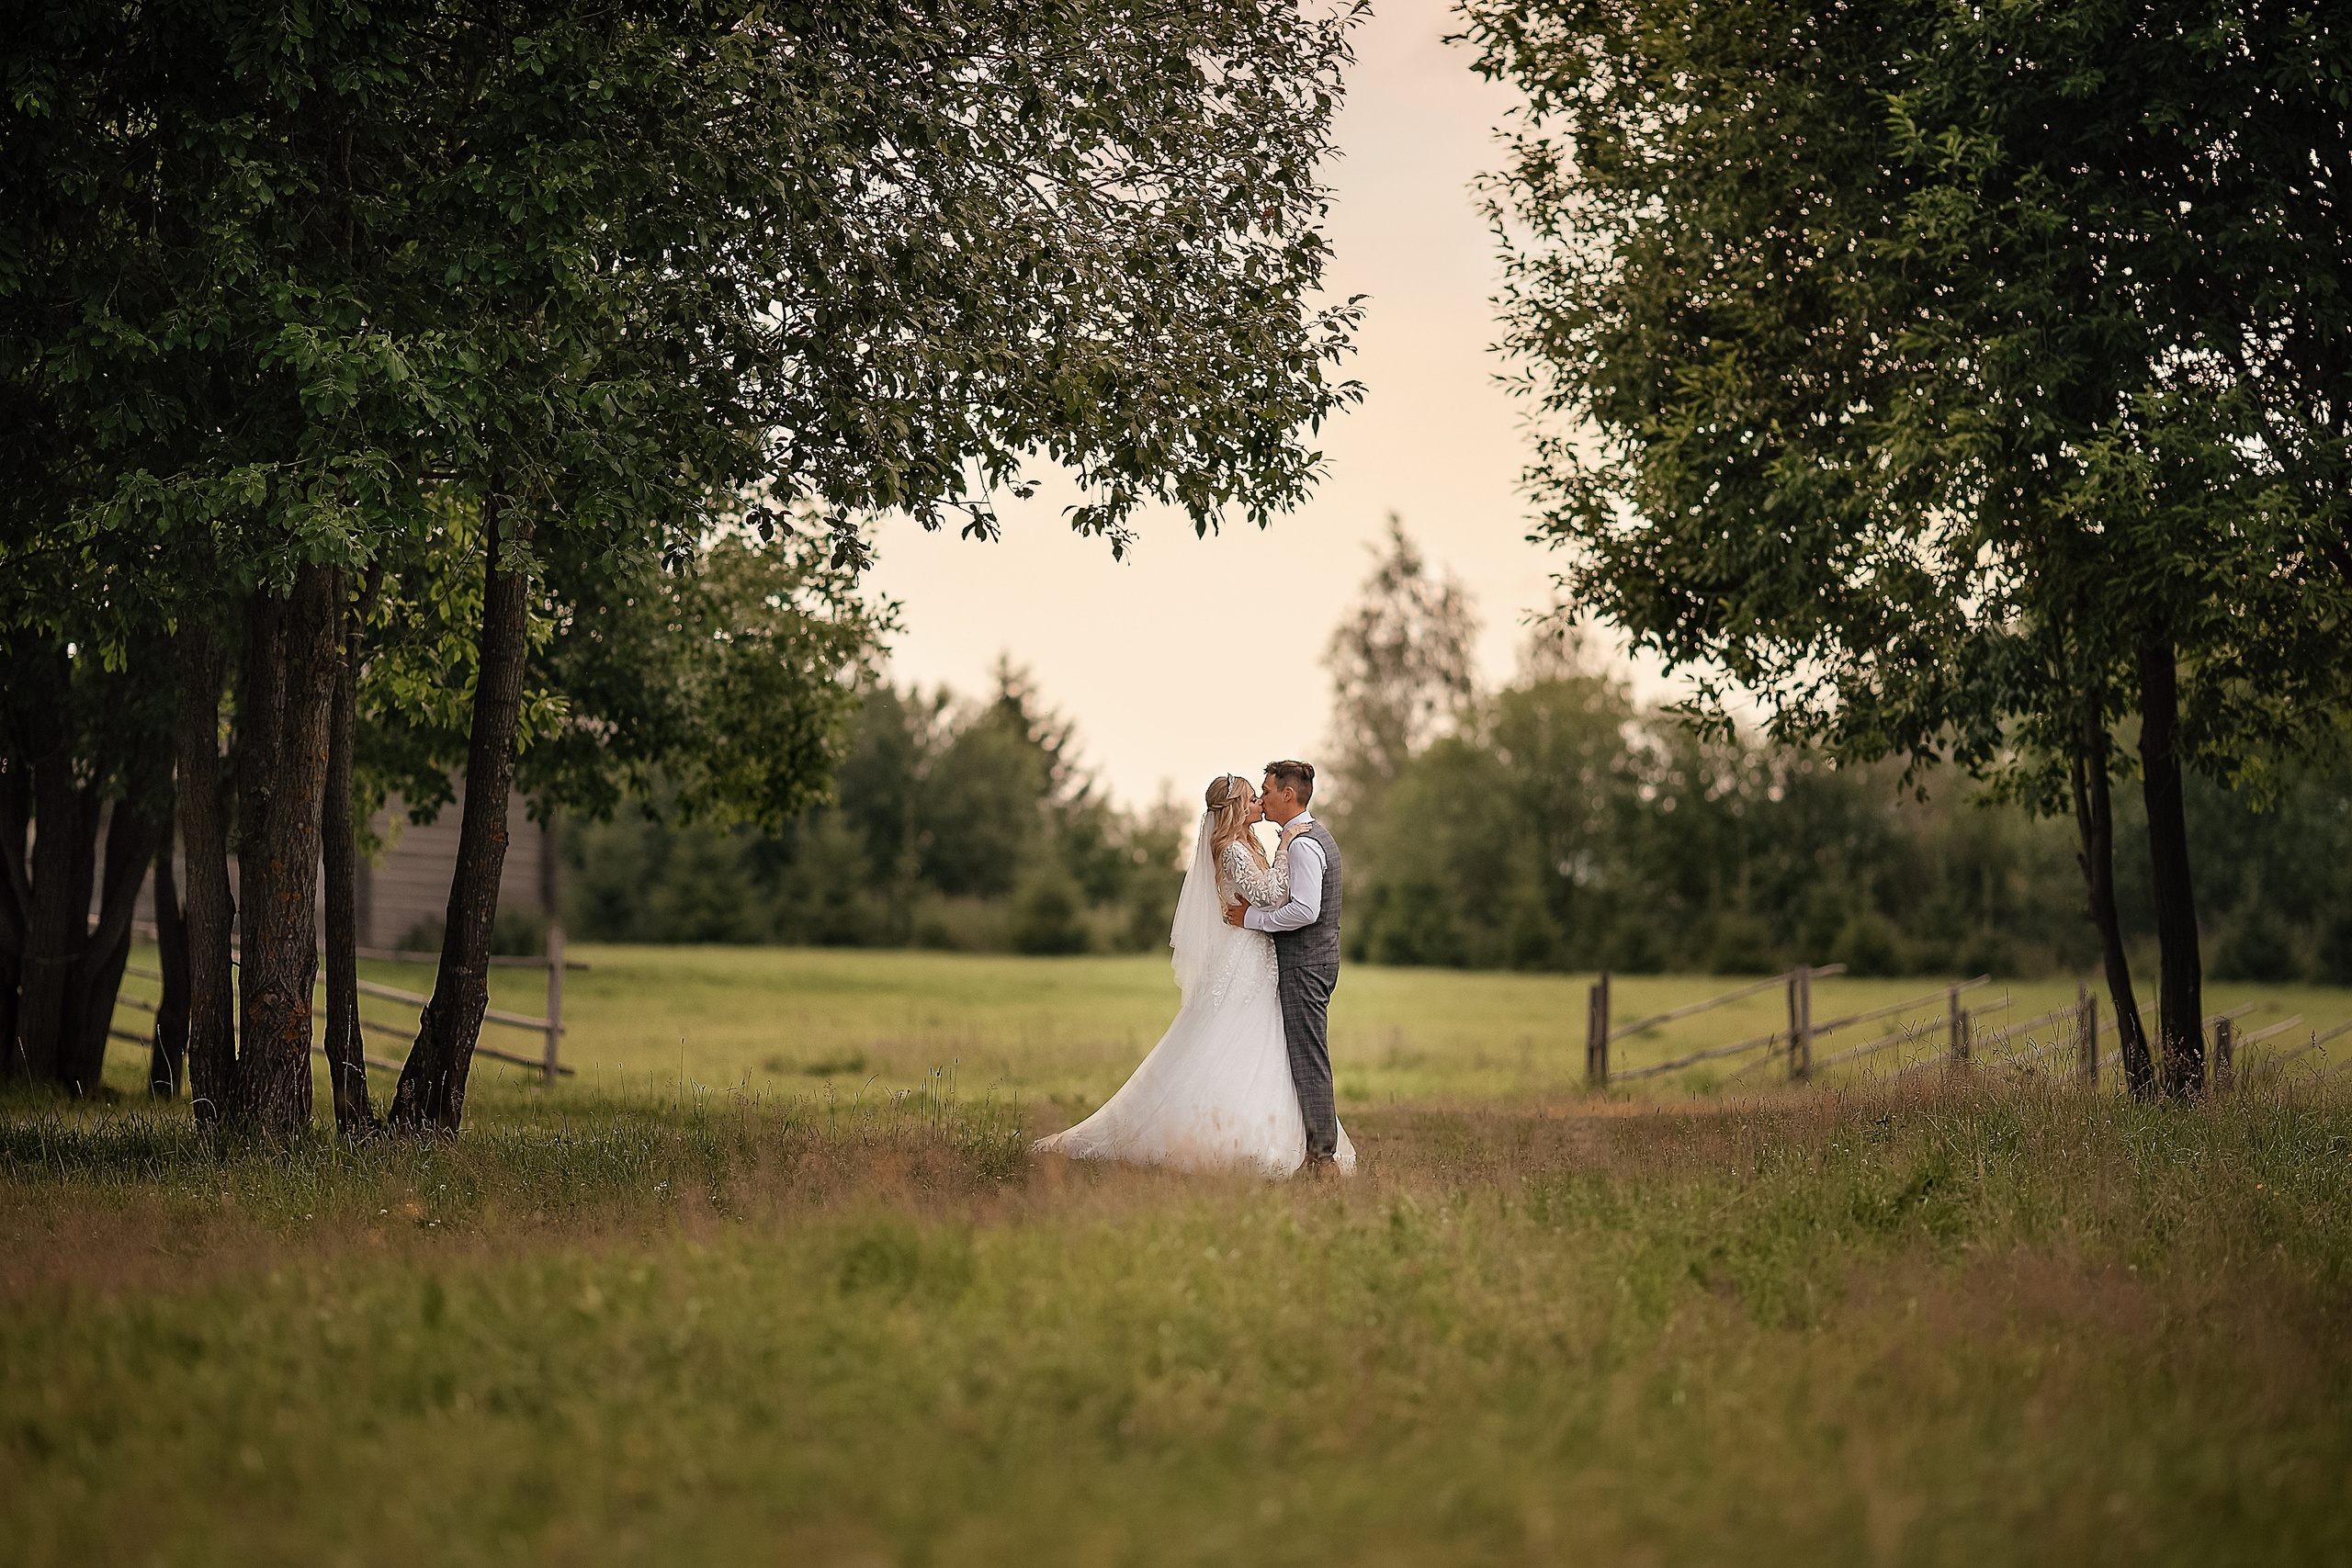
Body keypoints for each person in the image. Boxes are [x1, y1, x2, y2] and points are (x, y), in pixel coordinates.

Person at [1033, 769, 1356, 1177]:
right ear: (1238, 807)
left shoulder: (1264, 844)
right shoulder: (1240, 850)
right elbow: (1272, 894)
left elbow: (1287, 903)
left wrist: (1260, 899)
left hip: (1265, 955)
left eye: (1265, 794)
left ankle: (1305, 1146)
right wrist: (1279, 858)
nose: (1260, 800)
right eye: (1254, 797)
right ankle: (1258, 1141)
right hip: (1248, 956)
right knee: (1248, 1040)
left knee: (1272, 1047)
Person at [1221, 761, 1342, 1172]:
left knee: (1309, 1057)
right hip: (1311, 961)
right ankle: (1315, 1152)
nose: (1263, 799)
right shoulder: (1301, 838)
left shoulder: (1303, 844)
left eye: (1267, 791)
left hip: (1306, 963)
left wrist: (1251, 919)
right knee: (1306, 1055)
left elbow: (1305, 910)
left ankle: (1321, 1159)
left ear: (1287, 794)